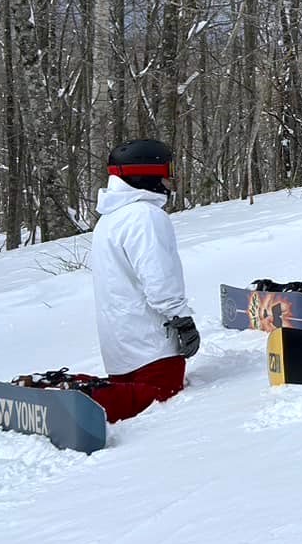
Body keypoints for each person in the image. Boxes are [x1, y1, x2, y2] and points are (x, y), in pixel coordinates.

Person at [14, 139, 200, 423]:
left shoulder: (110, 219)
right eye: (166, 171)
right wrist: (182, 320)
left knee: (125, 392)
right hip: (152, 343)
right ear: (147, 174)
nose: (168, 180)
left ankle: (57, 385)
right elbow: (160, 280)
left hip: (119, 346)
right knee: (159, 398)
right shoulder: (146, 217)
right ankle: (75, 399)